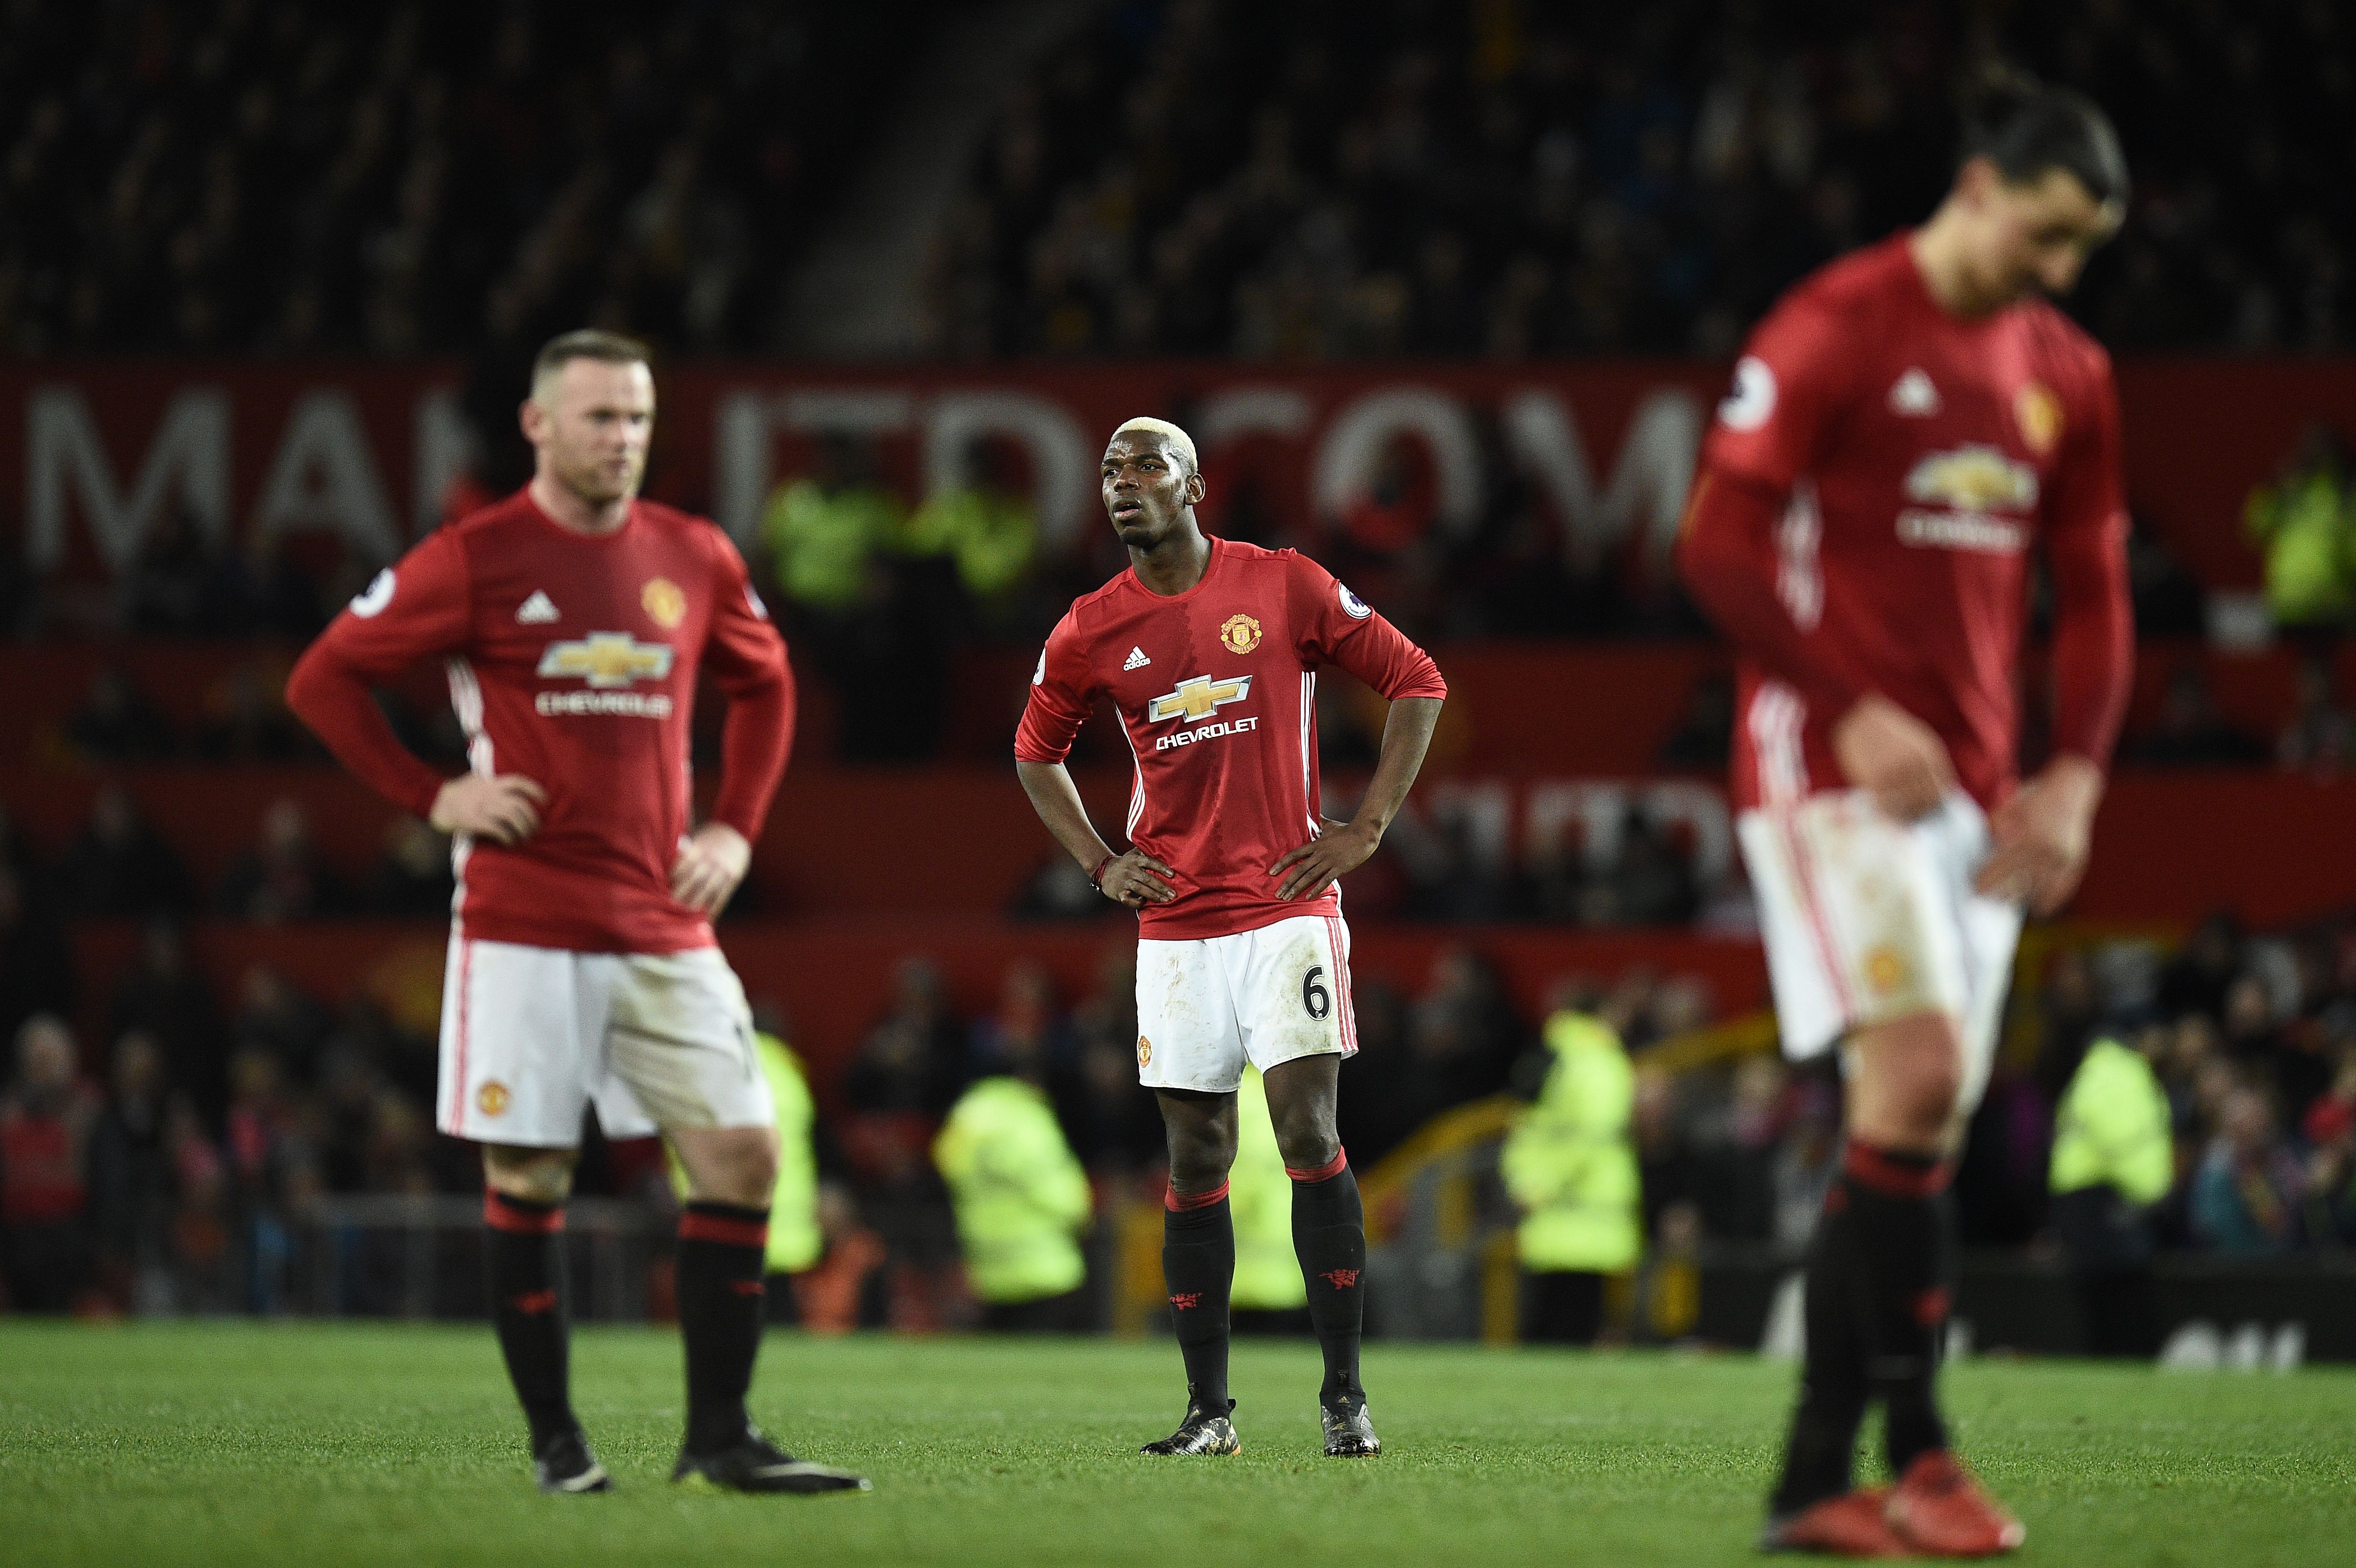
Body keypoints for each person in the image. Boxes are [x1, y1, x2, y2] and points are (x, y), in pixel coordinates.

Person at [1676, 70, 2135, 1557]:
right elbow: (1716, 543)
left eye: (2084, 249)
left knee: (1904, 1130)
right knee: (1924, 1075)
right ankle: (1923, 1452)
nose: (2059, 271)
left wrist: (2071, 773)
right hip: (1825, 774)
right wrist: (1842, 699)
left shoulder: (2063, 363)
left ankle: (1812, 1481)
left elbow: (2097, 593)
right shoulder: (1835, 324)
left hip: (1974, 796)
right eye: (2048, 234)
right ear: (1982, 185)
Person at [285, 330, 864, 1497]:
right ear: (538, 427)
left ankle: (720, 1435)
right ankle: (559, 1442)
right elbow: (322, 678)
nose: (623, 439)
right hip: (522, 919)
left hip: (662, 917)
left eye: (639, 418)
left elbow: (767, 681)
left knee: (743, 1155)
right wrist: (433, 791)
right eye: (599, 417)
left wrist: (735, 829)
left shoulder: (691, 552)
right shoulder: (475, 556)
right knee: (535, 1172)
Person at [1014, 416, 1447, 1458]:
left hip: (1287, 902)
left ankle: (1343, 1395)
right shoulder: (1087, 628)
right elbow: (1036, 754)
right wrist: (1099, 860)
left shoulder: (1284, 581)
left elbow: (1416, 679)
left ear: (1195, 485)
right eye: (1111, 469)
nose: (1125, 482)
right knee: (1195, 1151)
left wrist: (1366, 826)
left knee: (1305, 1134)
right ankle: (1209, 1411)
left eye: (1147, 464)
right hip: (1173, 924)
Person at [1500, 1003, 1640, 1346]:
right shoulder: (1601, 1062)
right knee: (1578, 1325)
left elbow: (1526, 1127)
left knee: (1550, 1323)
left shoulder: (1550, 1055)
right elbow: (1594, 1136)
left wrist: (1525, 1184)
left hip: (1550, 1213)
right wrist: (1541, 1187)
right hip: (1587, 1214)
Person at [931, 1039, 1093, 1332]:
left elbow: (946, 1164)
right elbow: (1057, 1190)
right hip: (1044, 1267)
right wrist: (1081, 1214)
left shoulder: (966, 1116)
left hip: (988, 1266)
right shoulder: (1026, 1119)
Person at [2048, 1024, 2173, 1357]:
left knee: (2096, 1287)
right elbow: (2121, 1136)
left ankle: (2106, 1356)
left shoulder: (2090, 1073)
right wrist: (2149, 1189)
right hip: (2109, 1191)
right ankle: (2129, 1355)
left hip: (2080, 1191)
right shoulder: (2121, 1072)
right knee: (2123, 1285)